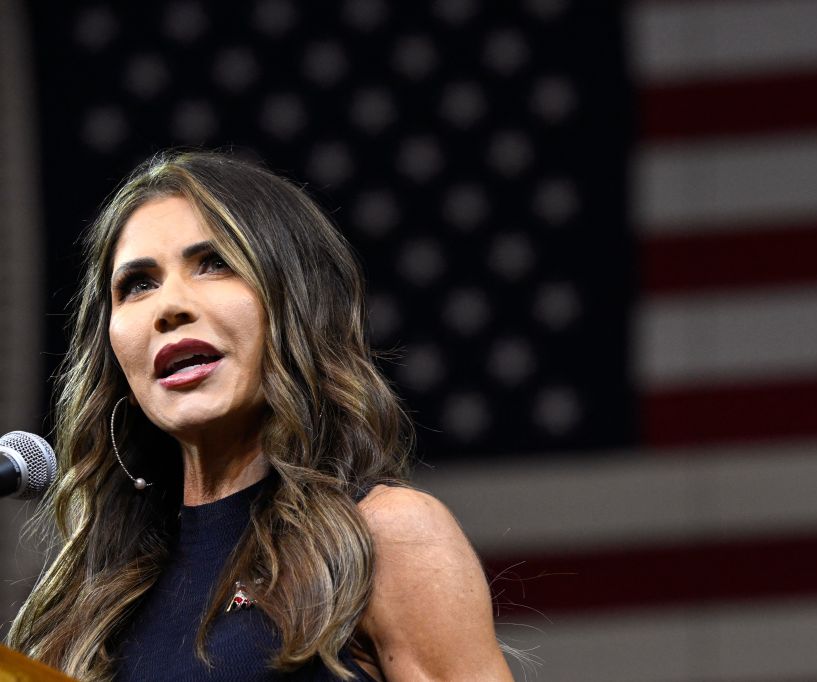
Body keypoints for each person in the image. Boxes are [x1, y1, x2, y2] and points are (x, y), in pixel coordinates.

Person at [6, 151, 515, 681]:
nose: (168, 306)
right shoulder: (83, 606)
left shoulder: (384, 535)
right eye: (137, 284)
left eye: (215, 263)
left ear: (294, 310)